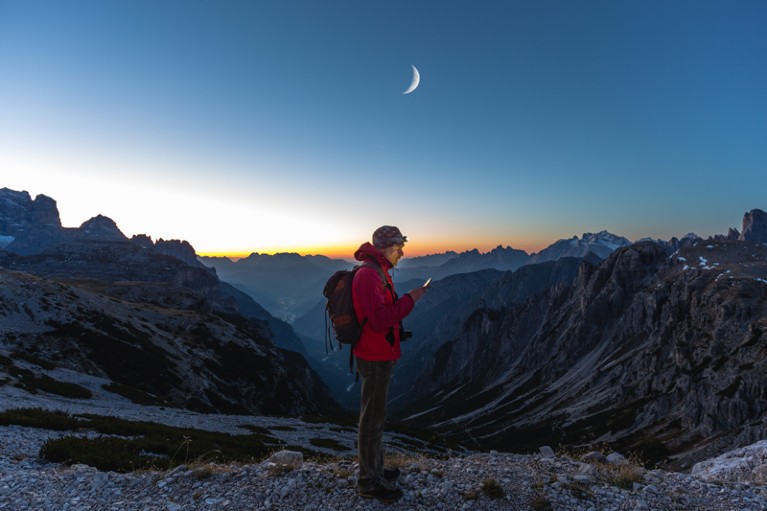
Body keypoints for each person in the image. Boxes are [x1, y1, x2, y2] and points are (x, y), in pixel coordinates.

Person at [351, 225, 429, 503]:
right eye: (398, 247)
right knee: (371, 419)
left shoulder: (378, 271)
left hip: (379, 354)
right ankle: (368, 483)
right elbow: (379, 320)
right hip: (374, 358)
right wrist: (411, 299)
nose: (402, 252)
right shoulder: (369, 275)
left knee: (376, 416)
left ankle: (375, 468)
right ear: (385, 247)